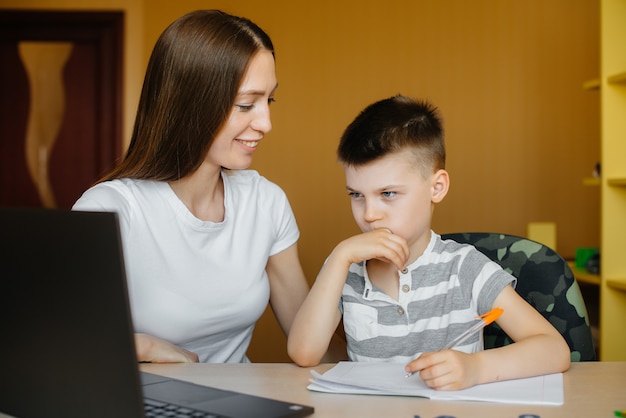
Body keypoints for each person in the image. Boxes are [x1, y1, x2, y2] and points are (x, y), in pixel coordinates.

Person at [73, 10, 309, 364]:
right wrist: (143, 346)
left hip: (237, 403)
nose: (265, 123)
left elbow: (311, 342)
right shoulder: (110, 209)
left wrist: (343, 260)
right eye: (246, 104)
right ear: (191, 103)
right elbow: (64, 345)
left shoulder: (265, 201)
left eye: (269, 100)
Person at [287, 95, 570, 390]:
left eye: (388, 194)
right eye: (357, 195)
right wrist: (340, 256)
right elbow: (303, 353)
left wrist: (475, 368)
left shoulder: (464, 267)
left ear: (436, 187)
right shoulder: (344, 269)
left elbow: (553, 349)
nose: (369, 215)